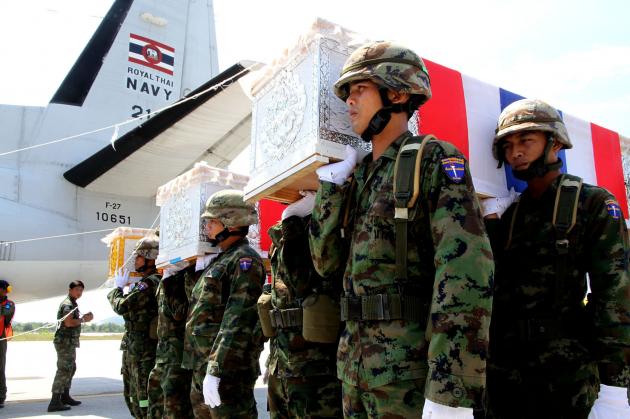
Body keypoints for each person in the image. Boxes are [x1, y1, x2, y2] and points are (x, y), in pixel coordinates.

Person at [309, 41, 494, 418]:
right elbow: (325, 263)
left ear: (396, 92)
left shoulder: (434, 158)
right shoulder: (358, 177)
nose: (349, 101)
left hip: (406, 376)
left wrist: (450, 389)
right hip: (354, 372)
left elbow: (465, 272)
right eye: (348, 93)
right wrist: (330, 189)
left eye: (360, 89)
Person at [481, 98, 630, 418]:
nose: (515, 152)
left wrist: (615, 390)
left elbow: (615, 296)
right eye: (507, 145)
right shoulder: (510, 214)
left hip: (565, 376)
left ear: (556, 143)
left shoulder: (590, 203)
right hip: (505, 375)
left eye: (526, 140)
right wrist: (489, 225)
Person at [182, 189, 265, 418]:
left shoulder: (244, 260)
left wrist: (216, 369)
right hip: (204, 365)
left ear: (231, 222)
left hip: (227, 371)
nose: (207, 227)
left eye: (212, 221)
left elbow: (237, 320)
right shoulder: (221, 260)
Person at [265, 193, 343, 418]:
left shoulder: (318, 227)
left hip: (313, 369)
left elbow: (300, 282)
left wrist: (291, 221)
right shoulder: (283, 233)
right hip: (282, 363)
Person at [108, 235, 160, 418]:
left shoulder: (151, 283)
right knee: (132, 394)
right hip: (134, 346)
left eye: (139, 256)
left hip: (143, 349)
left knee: (142, 395)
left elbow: (122, 306)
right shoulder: (143, 283)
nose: (135, 260)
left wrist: (117, 289)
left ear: (150, 258)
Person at [147, 265, 194, 419]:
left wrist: (170, 282)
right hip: (163, 353)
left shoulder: (180, 280)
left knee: (173, 404)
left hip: (177, 354)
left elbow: (179, 312)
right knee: (155, 398)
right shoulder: (165, 281)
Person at [47, 280, 93, 412]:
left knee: (71, 368)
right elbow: (68, 323)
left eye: (81, 290)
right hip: (64, 342)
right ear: (70, 290)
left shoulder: (73, 303)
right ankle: (55, 401)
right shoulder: (67, 304)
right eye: (77, 290)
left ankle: (65, 396)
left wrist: (83, 318)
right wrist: (84, 319)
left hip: (69, 342)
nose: (79, 293)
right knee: (64, 369)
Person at [0, 280, 15, 409]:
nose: (6, 292)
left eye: (7, 289)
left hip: (1, 339)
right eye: (4, 289)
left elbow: (4, 314)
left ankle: (0, 397)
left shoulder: (9, 304)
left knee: (0, 368)